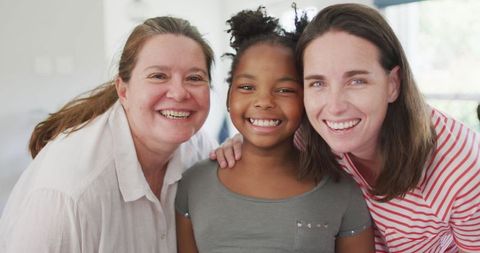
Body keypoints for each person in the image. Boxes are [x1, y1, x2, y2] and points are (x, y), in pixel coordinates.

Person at [214, 3, 480, 253]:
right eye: (317, 83)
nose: (335, 106)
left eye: (356, 81)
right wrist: (247, 143)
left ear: (393, 84)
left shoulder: (463, 168)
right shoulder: (306, 134)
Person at [0, 16, 217, 253]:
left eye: (194, 78)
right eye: (158, 76)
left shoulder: (197, 145)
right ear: (123, 90)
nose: (179, 93)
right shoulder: (71, 193)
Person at [176, 6, 374, 253]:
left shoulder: (341, 190)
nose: (264, 101)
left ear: (307, 100)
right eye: (247, 87)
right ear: (229, 97)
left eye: (285, 90)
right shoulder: (193, 184)